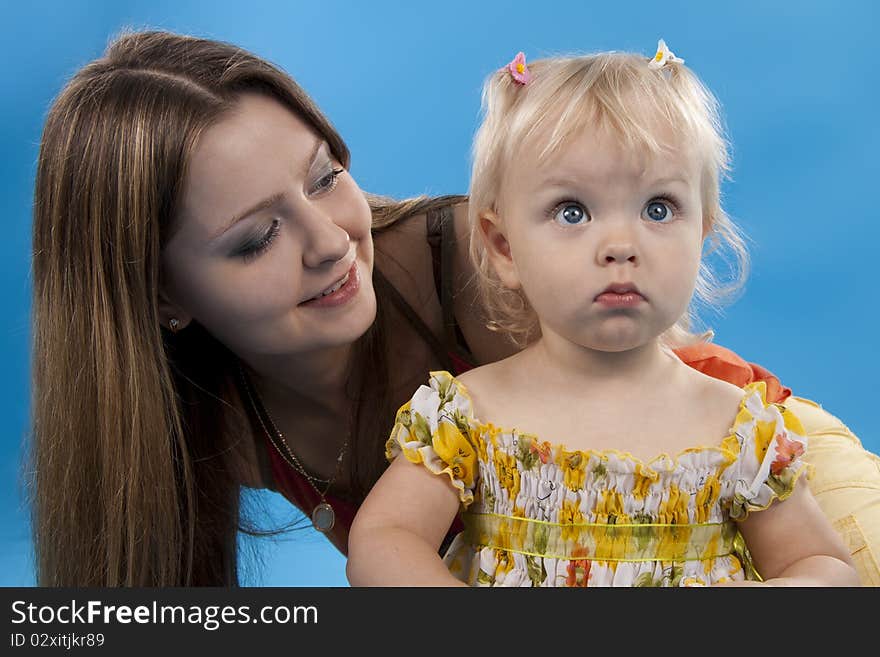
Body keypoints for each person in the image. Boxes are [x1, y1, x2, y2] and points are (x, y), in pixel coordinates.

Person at [29, 30, 878, 586]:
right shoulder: (175, 418)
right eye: (256, 238)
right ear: (162, 294)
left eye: (327, 175)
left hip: (750, 432)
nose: (330, 241)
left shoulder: (464, 263)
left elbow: (660, 371)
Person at [346, 45, 861, 586]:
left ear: (701, 236)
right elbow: (387, 538)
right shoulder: (470, 415)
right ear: (504, 248)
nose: (620, 245)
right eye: (573, 211)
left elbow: (821, 566)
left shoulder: (736, 429)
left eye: (657, 209)